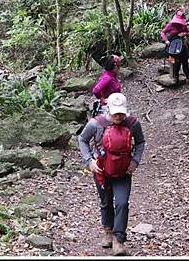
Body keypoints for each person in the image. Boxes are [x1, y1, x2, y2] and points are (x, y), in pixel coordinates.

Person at [78, 92, 145, 256]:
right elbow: (82, 139)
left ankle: (118, 240)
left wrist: (135, 161)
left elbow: (141, 142)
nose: (119, 116)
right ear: (109, 110)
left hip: (123, 171)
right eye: (116, 113)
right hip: (101, 171)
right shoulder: (96, 124)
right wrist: (89, 161)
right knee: (106, 202)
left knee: (122, 203)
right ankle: (107, 230)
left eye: (121, 112)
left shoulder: (133, 124)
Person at [160, 10, 189, 86]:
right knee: (175, 62)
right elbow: (162, 33)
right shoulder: (170, 25)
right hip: (173, 45)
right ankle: (176, 77)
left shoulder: (183, 25)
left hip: (182, 45)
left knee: (185, 62)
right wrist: (166, 40)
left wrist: (184, 33)